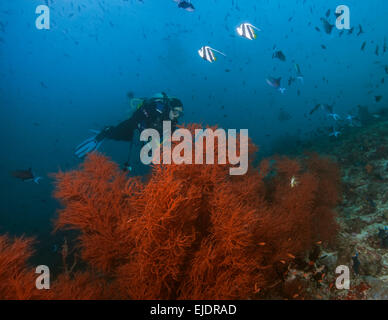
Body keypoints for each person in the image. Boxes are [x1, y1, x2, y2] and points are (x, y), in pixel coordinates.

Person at [75, 92, 184, 160]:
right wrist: (143, 133)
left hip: (149, 132)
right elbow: (137, 117)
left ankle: (112, 134)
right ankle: (103, 134)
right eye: (175, 112)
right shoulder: (155, 108)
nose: (176, 116)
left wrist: (153, 147)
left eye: (180, 114)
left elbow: (165, 139)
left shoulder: (172, 124)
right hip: (137, 123)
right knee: (123, 134)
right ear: (169, 107)